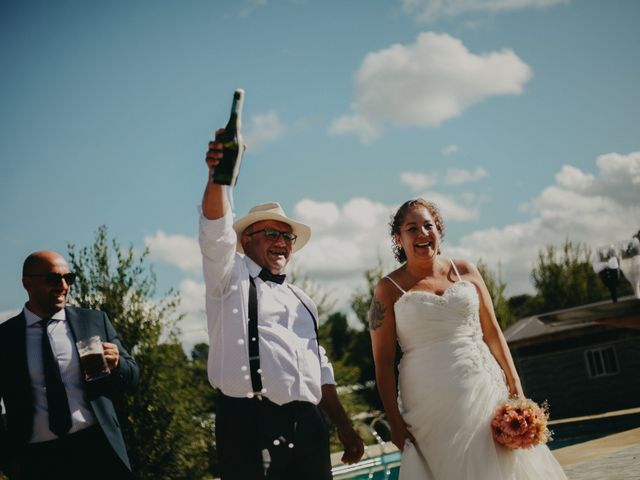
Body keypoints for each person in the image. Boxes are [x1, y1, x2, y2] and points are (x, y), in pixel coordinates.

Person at [199, 132, 364, 480]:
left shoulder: (303, 300)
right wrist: (219, 179)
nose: (281, 242)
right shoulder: (229, 279)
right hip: (249, 422)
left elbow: (320, 367)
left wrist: (344, 427)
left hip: (308, 425)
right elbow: (215, 233)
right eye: (271, 234)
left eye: (286, 236)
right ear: (246, 241)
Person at [369, 199, 567, 479]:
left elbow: (493, 332)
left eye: (429, 225)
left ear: (439, 230)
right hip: (428, 400)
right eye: (412, 229)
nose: (423, 234)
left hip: (482, 385)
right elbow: (383, 362)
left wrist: (515, 385)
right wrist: (395, 421)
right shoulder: (387, 289)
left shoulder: (466, 271)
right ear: (398, 238)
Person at [0, 251, 139, 480]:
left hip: (97, 450)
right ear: (27, 283)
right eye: (53, 279)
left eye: (69, 278)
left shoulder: (93, 321)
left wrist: (118, 365)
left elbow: (133, 377)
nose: (63, 286)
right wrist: (8, 460)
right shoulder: (5, 338)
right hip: (37, 462)